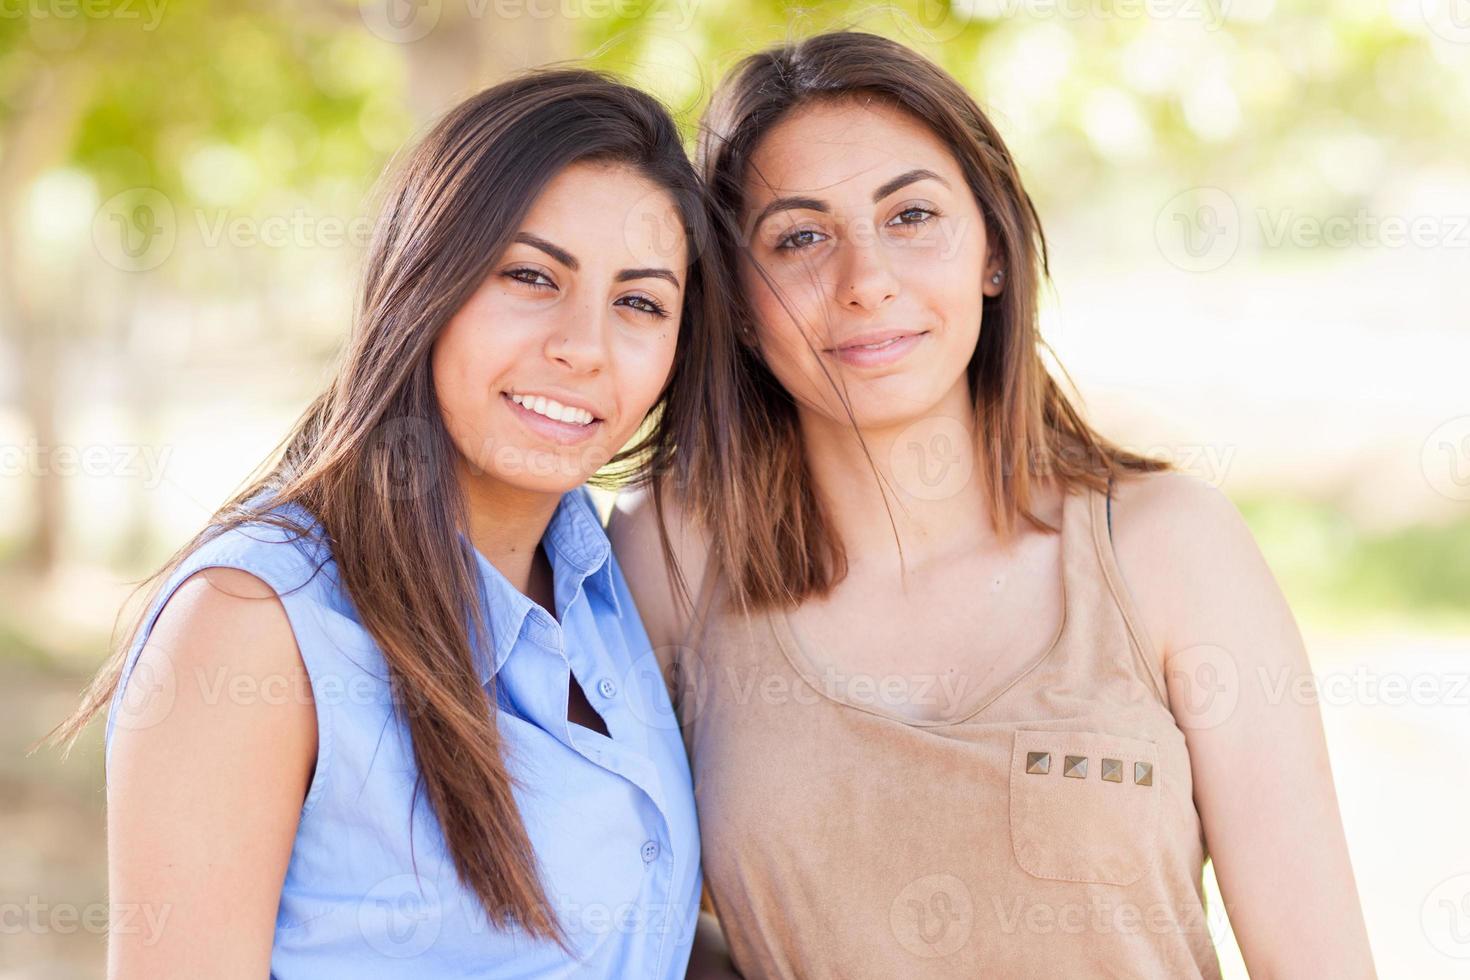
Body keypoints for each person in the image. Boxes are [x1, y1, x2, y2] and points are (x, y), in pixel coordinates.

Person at [612, 30, 1375, 979]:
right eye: (800, 237)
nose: (866, 282)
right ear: (736, 302)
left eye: (913, 215)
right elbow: (608, 913)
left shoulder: (1170, 547)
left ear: (993, 253)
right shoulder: (672, 558)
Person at [50, 69, 723, 978]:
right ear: (424, 281)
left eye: (639, 302)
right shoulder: (254, 625)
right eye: (530, 275)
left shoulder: (613, 579)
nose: (583, 346)